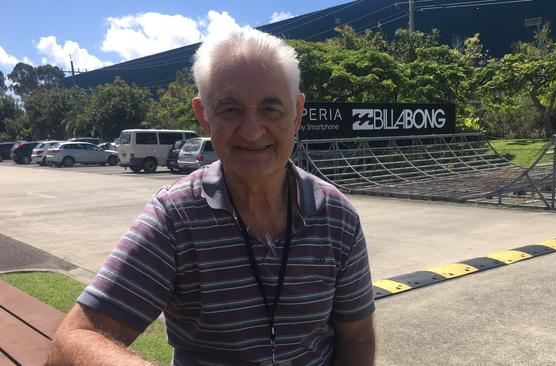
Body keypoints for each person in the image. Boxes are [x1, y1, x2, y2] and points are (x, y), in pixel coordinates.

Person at [46, 27, 376, 366]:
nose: (251, 131)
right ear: (204, 116)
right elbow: (72, 340)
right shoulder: (174, 218)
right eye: (230, 109)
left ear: (297, 113)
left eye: (271, 109)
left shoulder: (337, 216)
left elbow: (358, 337)